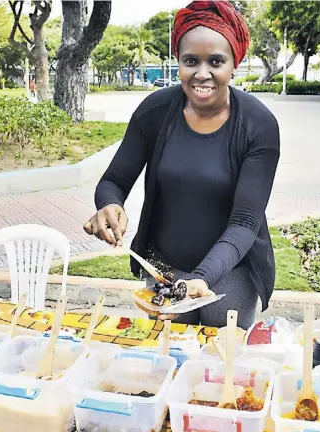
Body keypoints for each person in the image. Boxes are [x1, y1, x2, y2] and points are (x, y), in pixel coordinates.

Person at [83, 1, 280, 329]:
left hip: (232, 274)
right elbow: (114, 179)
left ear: (234, 64)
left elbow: (246, 221)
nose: (202, 73)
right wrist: (109, 205)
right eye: (191, 61)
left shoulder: (258, 125)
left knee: (223, 369)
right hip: (165, 268)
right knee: (166, 359)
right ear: (179, 62)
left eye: (216, 61)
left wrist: (203, 277)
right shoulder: (156, 111)